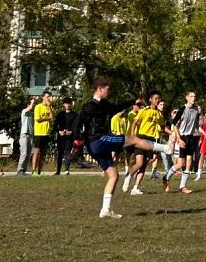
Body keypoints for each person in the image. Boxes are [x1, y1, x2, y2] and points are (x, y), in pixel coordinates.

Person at [73, 76, 172, 219]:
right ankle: (165, 148)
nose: (110, 91)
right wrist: (76, 141)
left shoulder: (104, 104)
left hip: (95, 145)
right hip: (98, 140)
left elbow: (116, 107)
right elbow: (78, 122)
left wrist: (133, 102)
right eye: (108, 89)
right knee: (134, 140)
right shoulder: (90, 106)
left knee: (113, 174)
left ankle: (105, 210)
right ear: (100, 89)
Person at [123, 91, 166, 196]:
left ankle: (136, 188)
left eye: (159, 99)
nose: (157, 100)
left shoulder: (159, 114)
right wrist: (133, 137)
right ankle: (128, 176)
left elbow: (163, 127)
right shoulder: (144, 110)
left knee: (144, 165)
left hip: (151, 140)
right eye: (155, 98)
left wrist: (173, 134)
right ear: (151, 99)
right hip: (141, 138)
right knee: (139, 163)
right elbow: (135, 122)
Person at [163, 91, 199, 194]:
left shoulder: (196, 109)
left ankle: (182, 187)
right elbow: (174, 125)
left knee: (189, 162)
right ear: (187, 98)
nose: (193, 98)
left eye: (194, 96)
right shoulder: (182, 110)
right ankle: (166, 178)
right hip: (182, 137)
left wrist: (202, 133)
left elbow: (195, 124)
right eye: (191, 96)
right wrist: (179, 139)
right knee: (180, 164)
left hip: (191, 137)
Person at [31, 91, 54, 176]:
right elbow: (38, 119)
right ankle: (34, 171)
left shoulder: (49, 107)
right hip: (38, 133)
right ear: (43, 97)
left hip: (46, 133)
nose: (49, 98)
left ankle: (39, 171)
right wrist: (48, 118)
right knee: (36, 152)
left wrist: (50, 107)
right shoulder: (38, 107)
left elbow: (52, 118)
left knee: (43, 153)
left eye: (50, 97)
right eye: (47, 96)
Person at [54, 97, 78, 175]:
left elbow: (76, 126)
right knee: (60, 153)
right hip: (61, 137)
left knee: (67, 153)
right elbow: (55, 127)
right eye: (66, 104)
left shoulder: (74, 115)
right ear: (63, 105)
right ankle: (58, 171)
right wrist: (59, 131)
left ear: (71, 105)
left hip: (69, 137)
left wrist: (71, 132)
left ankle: (67, 170)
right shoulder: (60, 114)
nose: (67, 105)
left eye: (69, 104)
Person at [17, 97, 36, 176]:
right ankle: (19, 170)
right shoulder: (24, 111)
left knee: (29, 153)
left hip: (31, 134)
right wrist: (32, 102)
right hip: (24, 134)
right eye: (32, 103)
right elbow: (30, 107)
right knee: (24, 153)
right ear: (28, 104)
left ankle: (24, 170)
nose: (34, 105)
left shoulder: (32, 114)